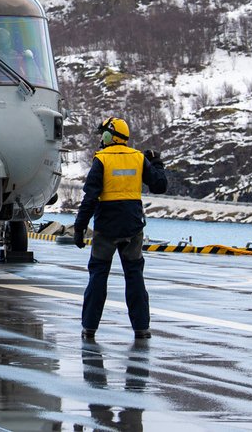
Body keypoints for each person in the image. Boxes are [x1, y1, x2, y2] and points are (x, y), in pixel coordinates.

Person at [73, 116, 167, 341]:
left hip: (106, 229)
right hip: (133, 228)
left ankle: (89, 328)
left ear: (109, 136)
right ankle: (141, 328)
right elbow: (160, 186)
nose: (101, 138)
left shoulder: (101, 159)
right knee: (134, 276)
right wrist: (156, 163)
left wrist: (79, 227)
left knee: (98, 276)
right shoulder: (138, 158)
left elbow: (90, 198)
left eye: (103, 134)